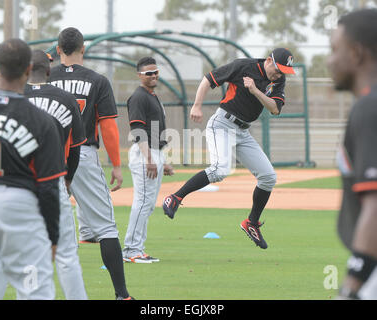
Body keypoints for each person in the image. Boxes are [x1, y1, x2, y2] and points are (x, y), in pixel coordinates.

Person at [163, 48, 296, 250]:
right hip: (222, 124)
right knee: (220, 169)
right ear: (269, 60)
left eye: (284, 72)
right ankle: (175, 197)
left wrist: (255, 91)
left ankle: (251, 222)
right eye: (278, 70)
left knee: (268, 176)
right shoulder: (244, 66)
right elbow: (208, 78)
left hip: (243, 132)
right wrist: (197, 105)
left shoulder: (278, 80)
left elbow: (275, 108)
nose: (280, 75)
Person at [0, 50, 89, 300]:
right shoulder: (49, 111)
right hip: (30, 192)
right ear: (46, 70)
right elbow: (73, 152)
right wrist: (66, 182)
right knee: (53, 263)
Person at [48, 27, 132, 300]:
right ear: (83, 49)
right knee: (106, 228)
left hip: (43, 158)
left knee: (42, 226)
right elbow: (107, 126)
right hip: (81, 155)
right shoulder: (97, 80)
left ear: (58, 49)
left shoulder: (44, 78)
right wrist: (117, 165)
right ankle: (122, 294)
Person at [328, 8, 377, 300]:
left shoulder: (369, 108)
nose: (329, 60)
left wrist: (352, 286)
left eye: (335, 50)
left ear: (356, 54)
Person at [123, 57, 174, 263]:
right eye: (148, 73)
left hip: (154, 153)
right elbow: (137, 129)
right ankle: (130, 250)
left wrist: (162, 159)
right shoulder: (138, 97)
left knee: (148, 204)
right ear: (139, 75)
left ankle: (138, 249)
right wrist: (150, 158)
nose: (153, 76)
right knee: (143, 202)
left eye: (155, 72)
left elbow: (155, 131)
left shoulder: (152, 96)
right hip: (145, 153)